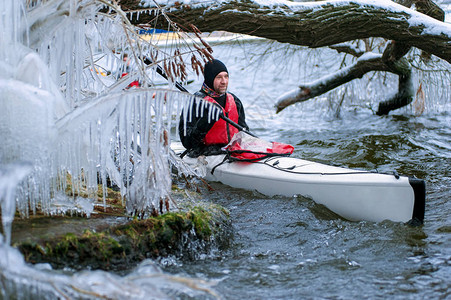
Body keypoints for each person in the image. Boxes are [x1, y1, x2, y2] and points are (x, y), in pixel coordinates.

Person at [179, 59, 248, 157]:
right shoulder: (196, 102)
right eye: (219, 77)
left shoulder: (235, 101)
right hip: (206, 155)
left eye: (226, 76)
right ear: (210, 79)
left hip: (232, 152)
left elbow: (244, 133)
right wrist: (206, 121)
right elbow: (187, 142)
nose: (224, 81)